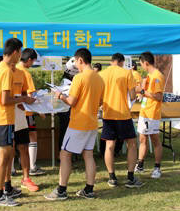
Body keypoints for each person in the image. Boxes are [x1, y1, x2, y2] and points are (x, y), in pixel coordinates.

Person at [45, 48, 104, 200]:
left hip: (78, 122)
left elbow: (71, 101)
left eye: (76, 63)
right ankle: (89, 189)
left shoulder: (79, 78)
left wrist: (60, 95)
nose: (75, 67)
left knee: (64, 154)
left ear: (80, 60)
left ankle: (61, 190)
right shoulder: (99, 78)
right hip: (92, 122)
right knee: (88, 155)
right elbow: (100, 102)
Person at [0, 38, 35, 207]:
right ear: (15, 52)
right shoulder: (6, 71)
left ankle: (5, 189)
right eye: (20, 53)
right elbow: (5, 99)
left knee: (2, 154)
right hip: (4, 118)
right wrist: (24, 98)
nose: (20, 56)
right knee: (4, 157)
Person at [99, 53, 143, 188]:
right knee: (132, 144)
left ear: (112, 61)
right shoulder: (127, 73)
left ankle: (112, 177)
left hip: (108, 113)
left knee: (109, 146)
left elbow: (99, 97)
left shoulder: (102, 74)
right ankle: (130, 177)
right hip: (123, 114)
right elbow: (132, 94)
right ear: (121, 62)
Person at [135, 52, 165, 179]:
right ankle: (140, 164)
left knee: (155, 140)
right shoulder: (149, 75)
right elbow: (147, 93)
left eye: (141, 64)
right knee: (142, 138)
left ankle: (157, 167)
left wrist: (142, 92)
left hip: (152, 113)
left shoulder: (157, 76)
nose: (141, 67)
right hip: (144, 111)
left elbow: (158, 96)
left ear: (146, 63)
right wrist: (141, 95)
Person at [16, 48, 46, 176]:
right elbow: (30, 93)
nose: (32, 64)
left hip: (15, 110)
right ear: (29, 60)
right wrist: (40, 110)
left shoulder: (14, 69)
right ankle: (32, 166)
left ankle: (12, 168)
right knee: (32, 137)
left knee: (14, 141)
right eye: (33, 62)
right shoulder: (26, 73)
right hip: (27, 111)